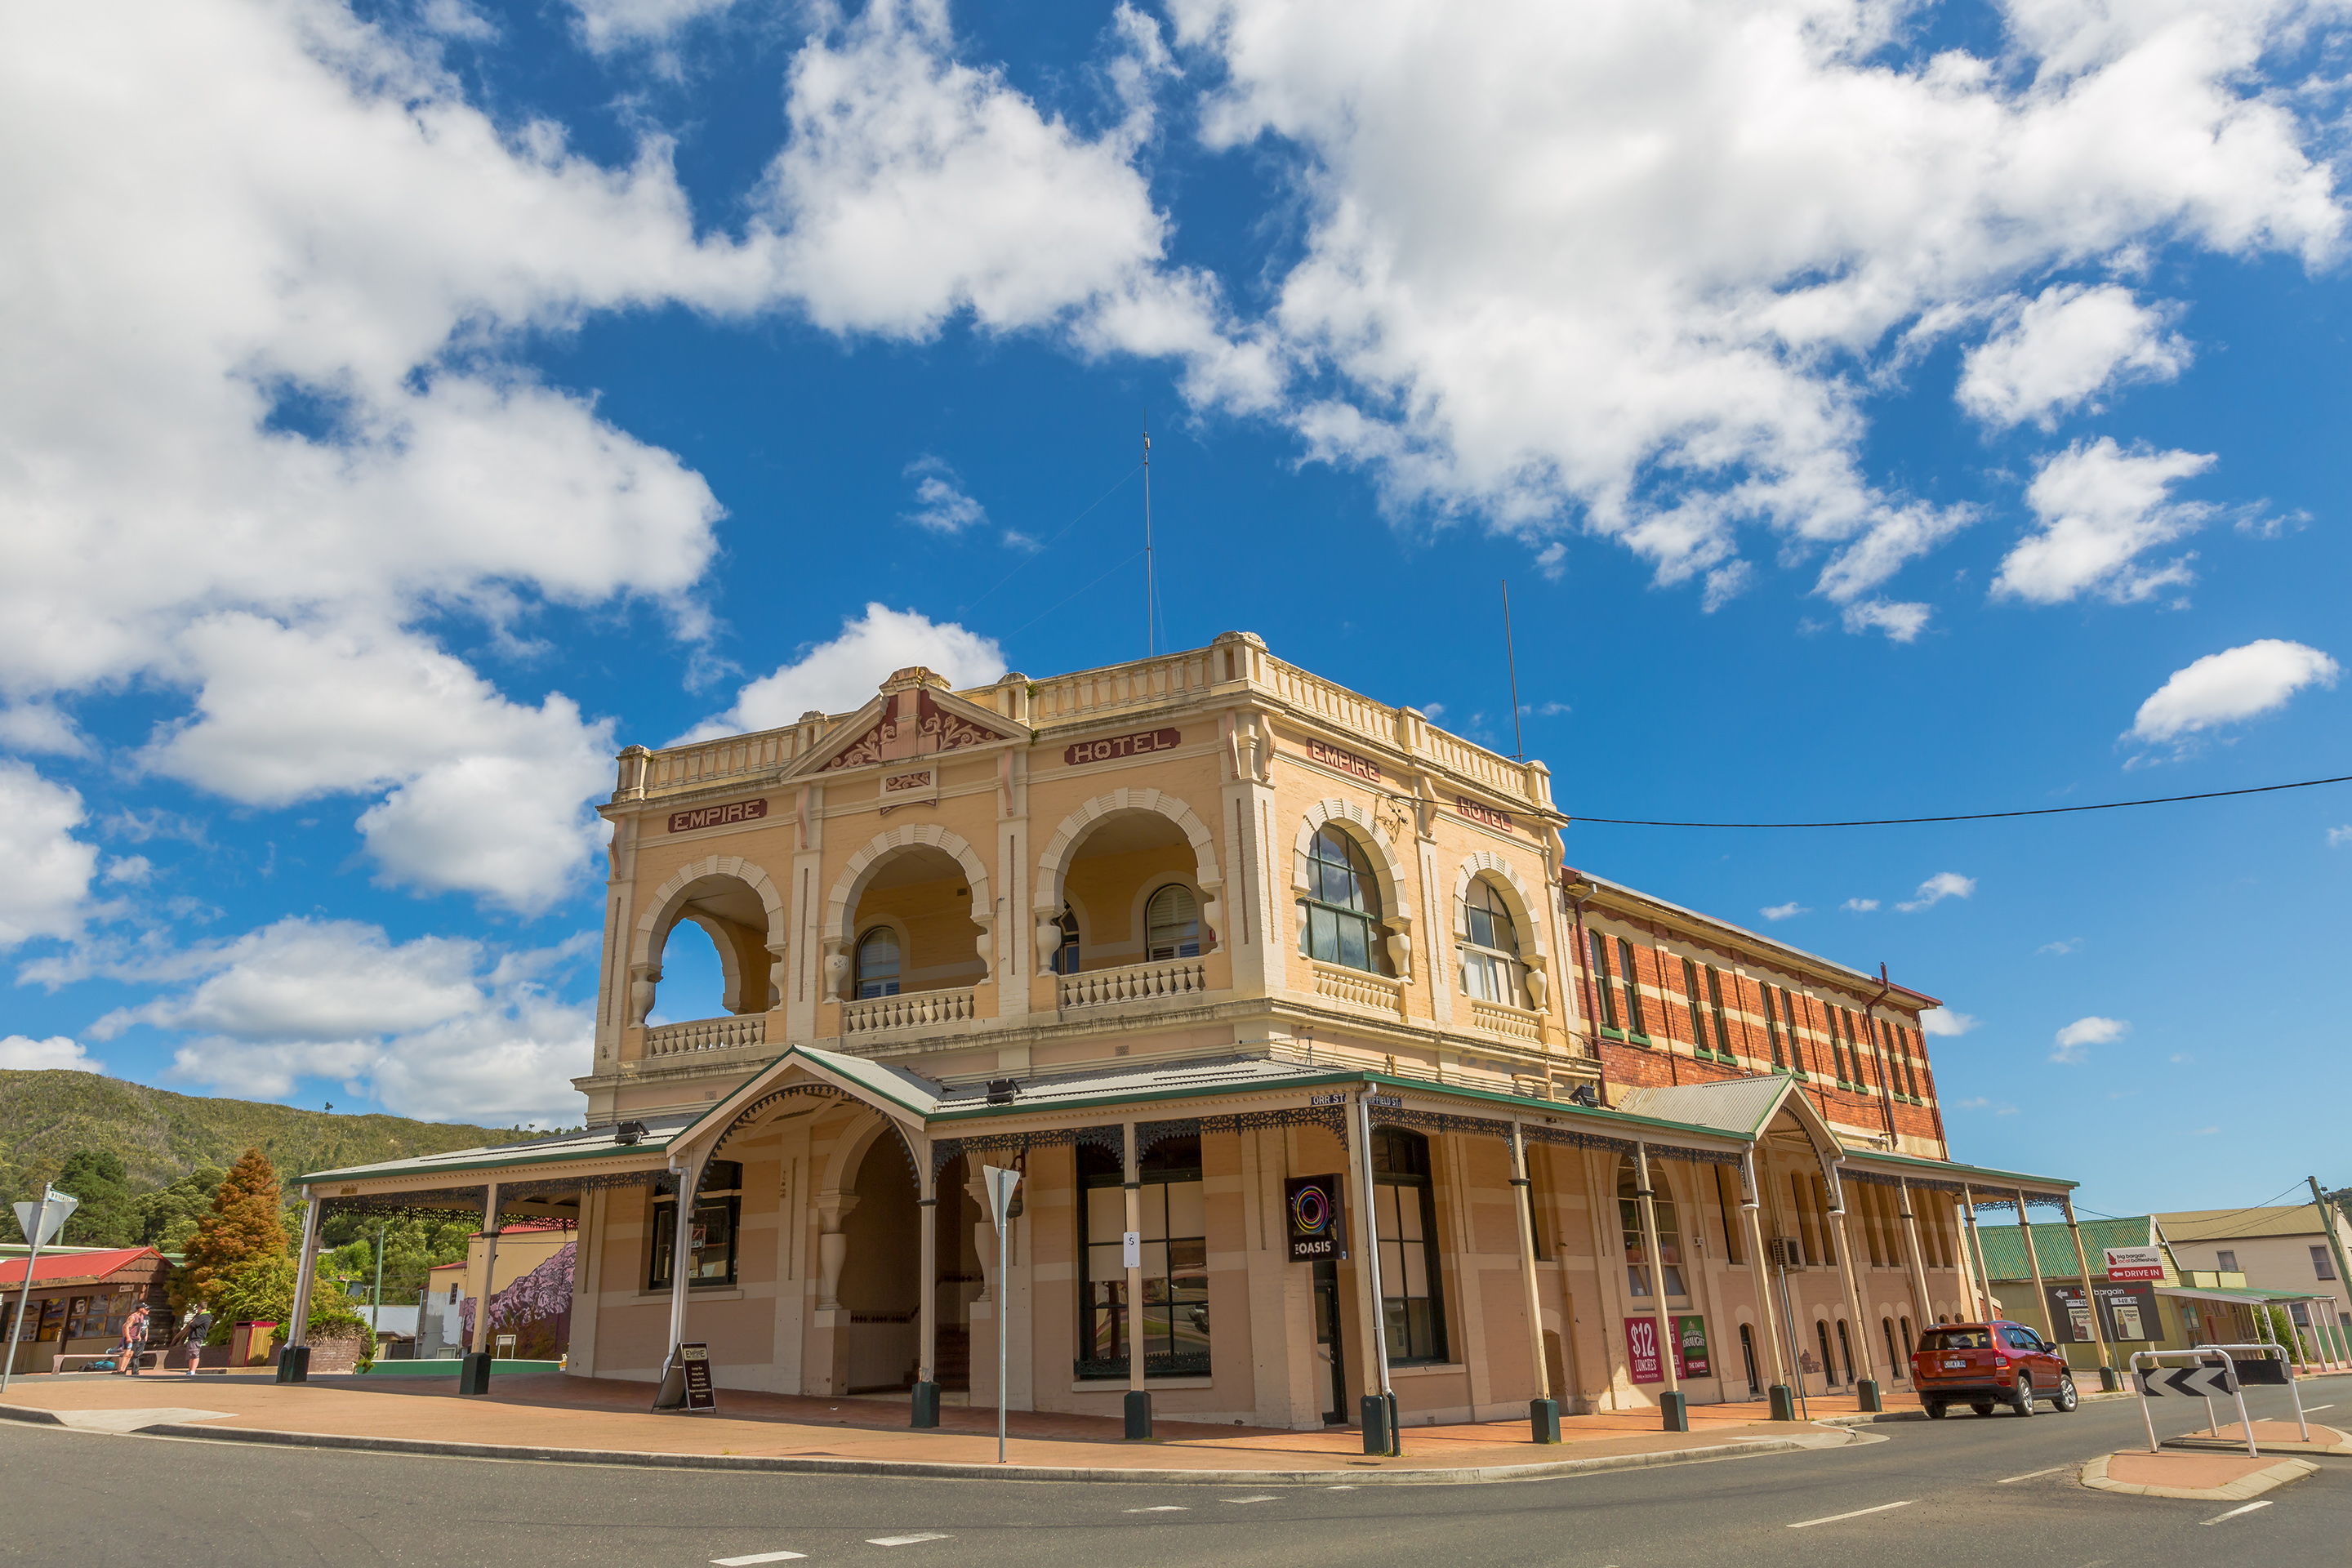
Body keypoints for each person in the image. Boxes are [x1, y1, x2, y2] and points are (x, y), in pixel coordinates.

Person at [116, 1302, 150, 1377]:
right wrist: (127, 1337)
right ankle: (121, 1370)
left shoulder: (141, 1317)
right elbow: (125, 1327)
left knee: (130, 1354)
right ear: (141, 1309)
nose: (148, 1311)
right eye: (146, 1309)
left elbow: (139, 1327)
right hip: (130, 1338)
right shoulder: (133, 1317)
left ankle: (124, 1369)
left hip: (136, 1338)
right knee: (126, 1354)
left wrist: (138, 1336)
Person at [179, 1303, 213, 1378]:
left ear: (200, 1308)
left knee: (194, 1353)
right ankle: (190, 1370)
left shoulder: (203, 1316)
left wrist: (192, 1322)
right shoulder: (202, 1316)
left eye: (198, 1308)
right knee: (191, 1354)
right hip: (194, 1337)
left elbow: (193, 1324)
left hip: (197, 1337)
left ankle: (192, 1371)